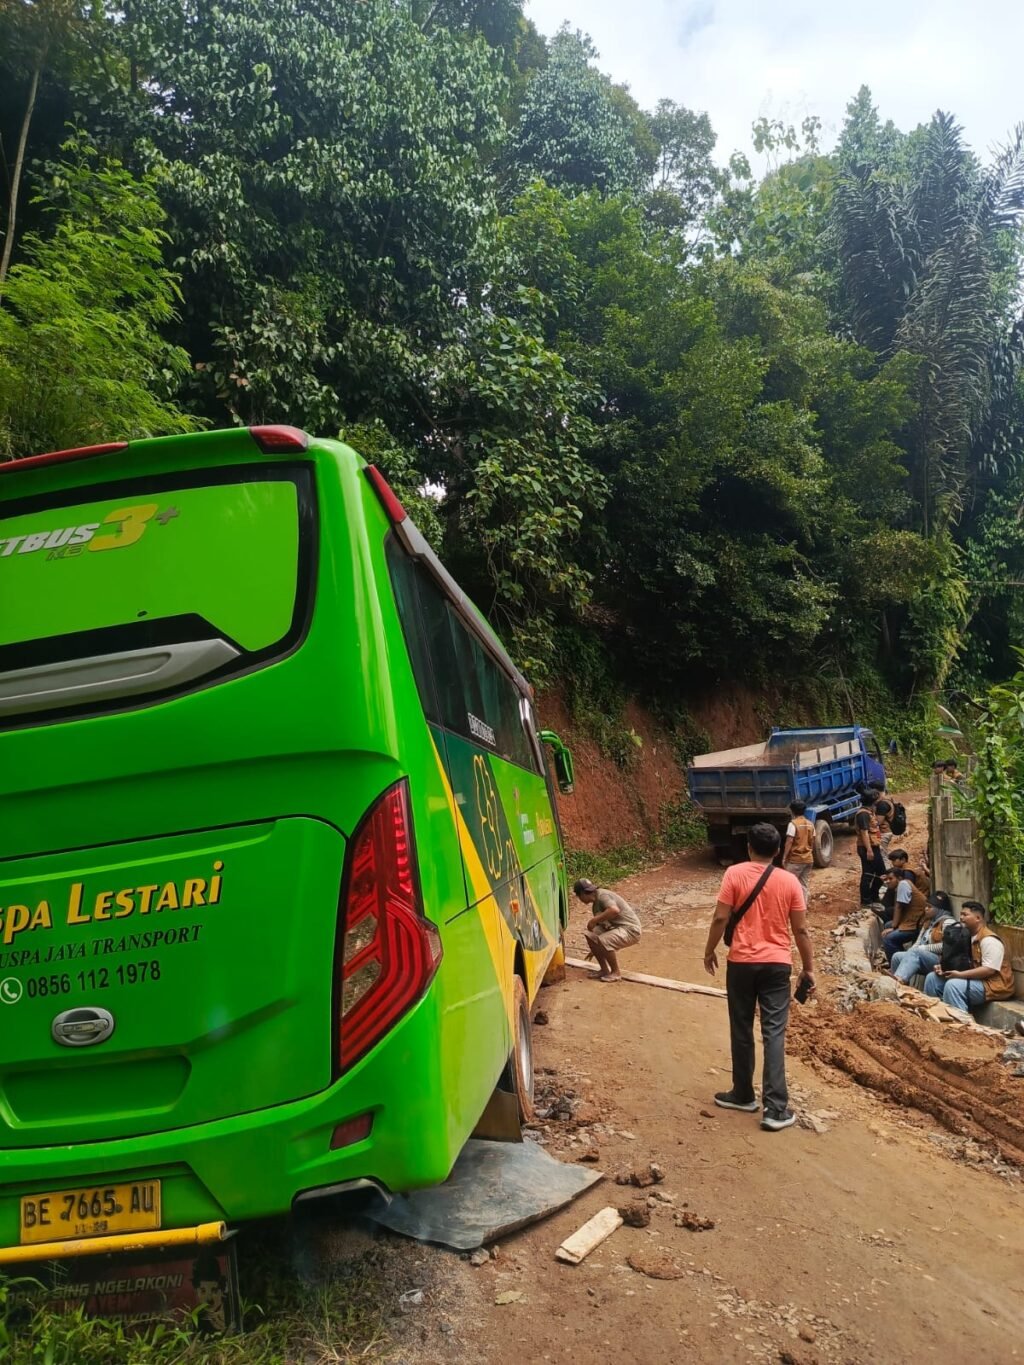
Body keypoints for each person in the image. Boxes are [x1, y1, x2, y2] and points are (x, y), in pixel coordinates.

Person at [702, 822, 814, 1132]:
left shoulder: (734, 874)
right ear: (778, 850)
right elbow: (801, 929)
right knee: (773, 1033)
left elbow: (721, 917)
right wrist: (809, 967)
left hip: (740, 963)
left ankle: (742, 1094)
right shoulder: (790, 882)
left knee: (741, 1028)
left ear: (749, 847)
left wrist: (709, 950)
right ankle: (775, 1109)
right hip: (777, 965)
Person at [924, 901, 1015, 1012]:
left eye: (965, 915)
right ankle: (935, 1017)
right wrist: (943, 968)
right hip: (976, 980)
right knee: (932, 978)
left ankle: (962, 1024)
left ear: (978, 918)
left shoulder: (989, 940)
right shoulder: (965, 936)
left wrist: (960, 975)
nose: (961, 918)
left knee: (953, 985)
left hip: (994, 986)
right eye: (961, 914)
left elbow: (989, 970)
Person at [573, 878, 641, 982]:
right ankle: (604, 970)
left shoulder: (602, 896)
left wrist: (593, 920)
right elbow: (603, 927)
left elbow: (614, 910)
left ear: (582, 894)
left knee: (604, 940)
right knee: (590, 935)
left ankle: (616, 973)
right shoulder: (596, 904)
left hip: (631, 930)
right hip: (619, 928)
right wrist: (595, 948)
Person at [890, 892, 956, 983]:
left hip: (940, 960)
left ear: (939, 909)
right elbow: (918, 941)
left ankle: (899, 980)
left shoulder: (948, 922)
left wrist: (923, 948)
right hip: (924, 956)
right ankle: (897, 983)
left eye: (930, 907)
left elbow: (946, 947)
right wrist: (912, 950)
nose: (926, 909)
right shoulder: (928, 922)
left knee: (915, 952)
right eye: (926, 906)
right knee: (897, 956)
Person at [879, 869, 929, 962]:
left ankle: (897, 964)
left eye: (891, 878)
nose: (888, 881)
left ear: (899, 878)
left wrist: (894, 927)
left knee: (888, 938)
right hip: (911, 921)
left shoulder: (903, 885)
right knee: (887, 925)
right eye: (887, 879)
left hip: (915, 925)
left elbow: (899, 907)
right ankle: (900, 954)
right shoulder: (904, 884)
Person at [855, 790, 886, 910]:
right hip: (867, 847)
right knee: (869, 874)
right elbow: (864, 833)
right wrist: (869, 849)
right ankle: (866, 900)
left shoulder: (869, 812)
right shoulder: (863, 814)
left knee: (879, 873)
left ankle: (873, 896)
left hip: (873, 846)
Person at [781, 799, 814, 902]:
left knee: (787, 884)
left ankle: (789, 907)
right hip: (808, 859)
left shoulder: (793, 824)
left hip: (796, 860)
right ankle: (802, 907)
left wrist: (784, 857)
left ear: (792, 811)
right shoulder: (810, 824)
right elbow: (812, 841)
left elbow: (789, 841)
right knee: (803, 884)